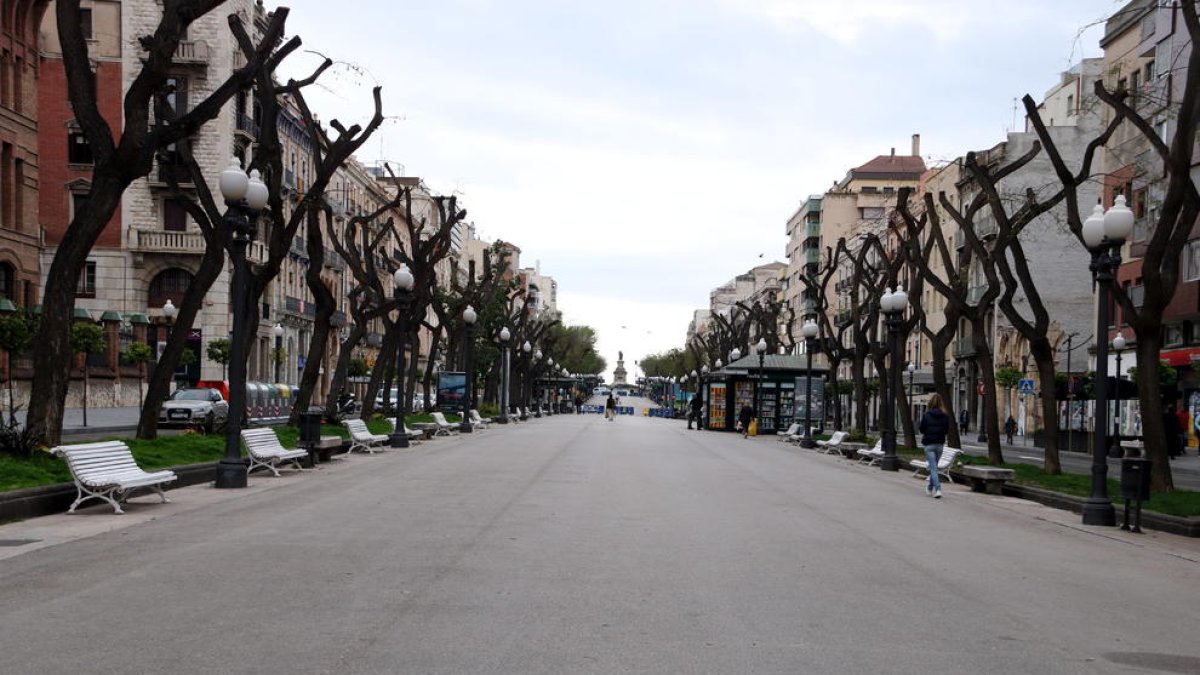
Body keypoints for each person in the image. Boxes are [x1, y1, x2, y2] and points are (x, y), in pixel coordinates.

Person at [918, 393, 950, 499]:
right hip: (940, 444)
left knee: (933, 468)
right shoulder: (945, 416)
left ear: (930, 403)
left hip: (929, 444)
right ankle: (930, 487)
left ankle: (938, 489)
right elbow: (946, 430)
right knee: (934, 467)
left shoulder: (927, 415)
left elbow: (921, 429)